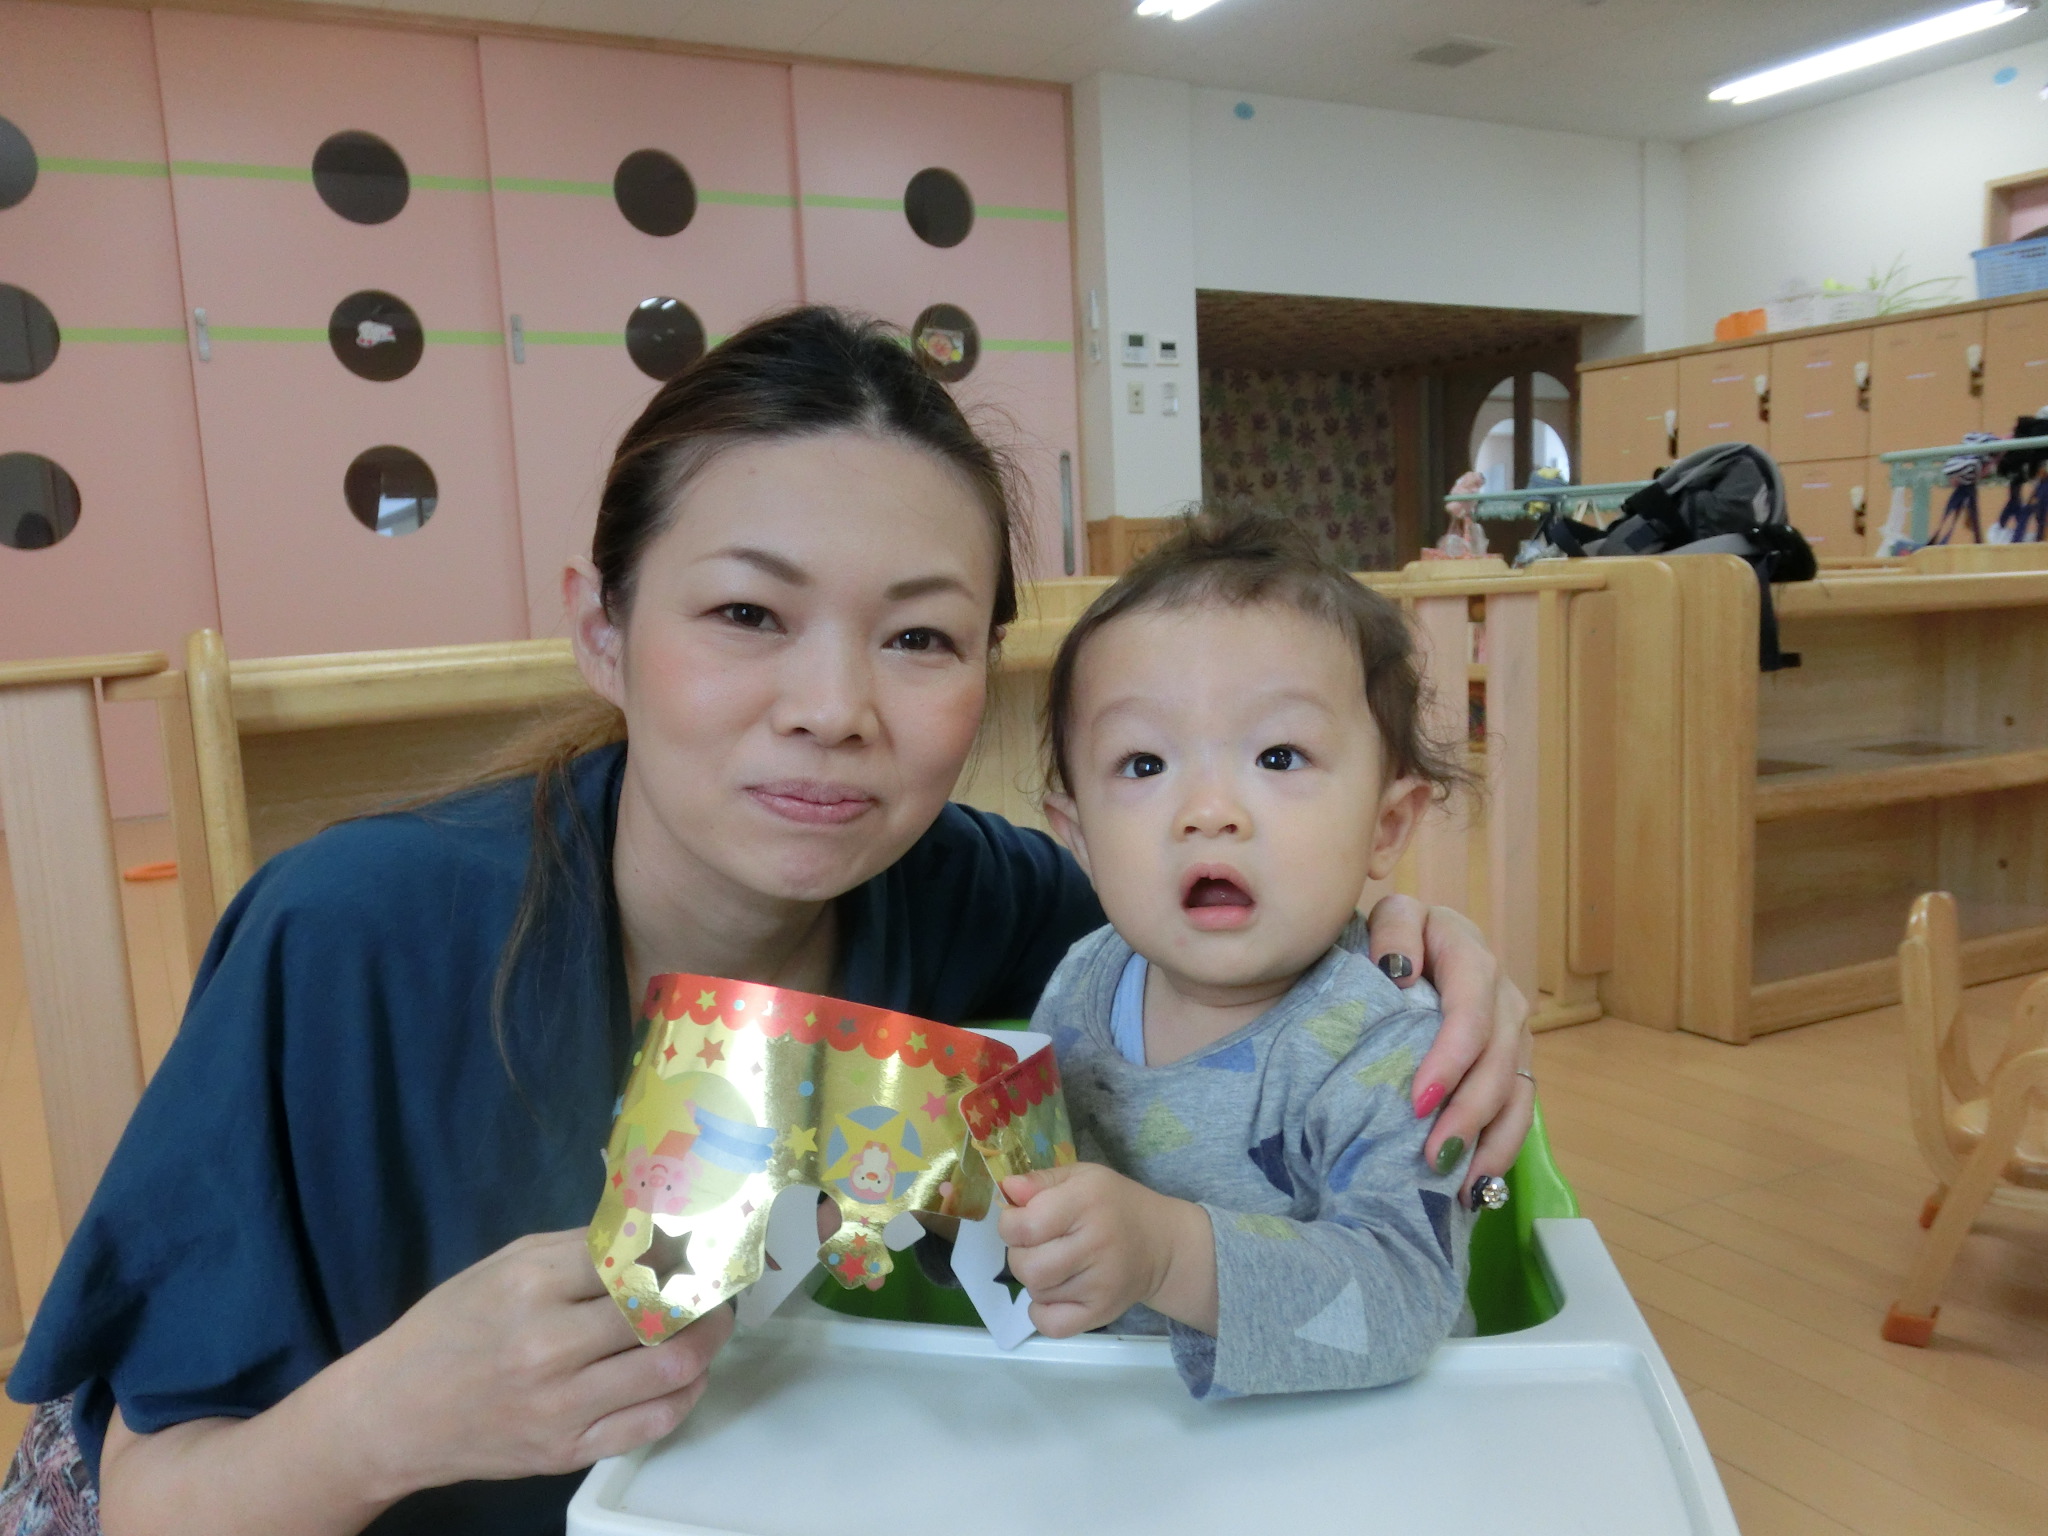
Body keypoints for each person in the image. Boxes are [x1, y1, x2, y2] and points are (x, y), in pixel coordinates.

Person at [3, 308, 1534, 1536]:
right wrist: (394, 1418)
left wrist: (1411, 943)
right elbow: (147, 1501)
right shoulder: (351, 940)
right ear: (604, 632)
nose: (831, 711)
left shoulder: (996, 907)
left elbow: (1230, 948)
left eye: (920, 637)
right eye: (747, 613)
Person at [998, 511, 1474, 1397]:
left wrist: (1169, 1254)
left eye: (1278, 754)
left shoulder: (1387, 1043)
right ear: (1078, 838)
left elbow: (1407, 1297)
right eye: (1144, 765)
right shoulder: (1078, 985)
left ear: (1387, 824)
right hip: (1115, 1426)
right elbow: (1031, 1207)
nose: (1209, 810)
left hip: (1334, 1443)